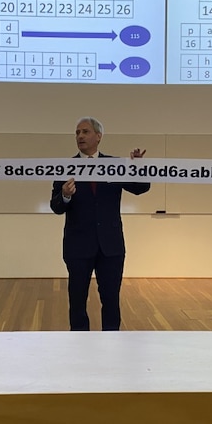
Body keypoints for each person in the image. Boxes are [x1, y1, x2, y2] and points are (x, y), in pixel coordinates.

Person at [50, 117, 150, 331]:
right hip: (78, 246)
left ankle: (111, 343)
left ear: (98, 136)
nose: (80, 136)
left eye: (85, 132)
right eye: (77, 133)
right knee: (77, 300)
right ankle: (79, 342)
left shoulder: (115, 165)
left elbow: (141, 188)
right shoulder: (65, 167)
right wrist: (65, 195)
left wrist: (138, 167)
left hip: (110, 246)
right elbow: (56, 206)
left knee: (111, 299)